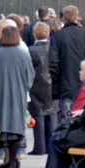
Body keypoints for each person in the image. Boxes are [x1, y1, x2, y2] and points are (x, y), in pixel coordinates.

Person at [0, 26, 35, 168]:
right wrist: (23, 88)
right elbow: (30, 77)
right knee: (16, 128)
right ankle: (12, 163)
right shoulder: (24, 54)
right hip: (18, 95)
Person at [49, 5, 85, 116]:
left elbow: (53, 61)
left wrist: (56, 77)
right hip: (83, 78)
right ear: (77, 17)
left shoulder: (58, 35)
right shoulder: (84, 32)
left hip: (65, 80)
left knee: (67, 115)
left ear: (63, 17)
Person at [28, 22, 56, 155]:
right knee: (52, 115)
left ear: (34, 34)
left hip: (37, 85)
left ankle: (39, 147)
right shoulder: (54, 48)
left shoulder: (31, 50)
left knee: (38, 116)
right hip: (52, 85)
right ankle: (51, 145)